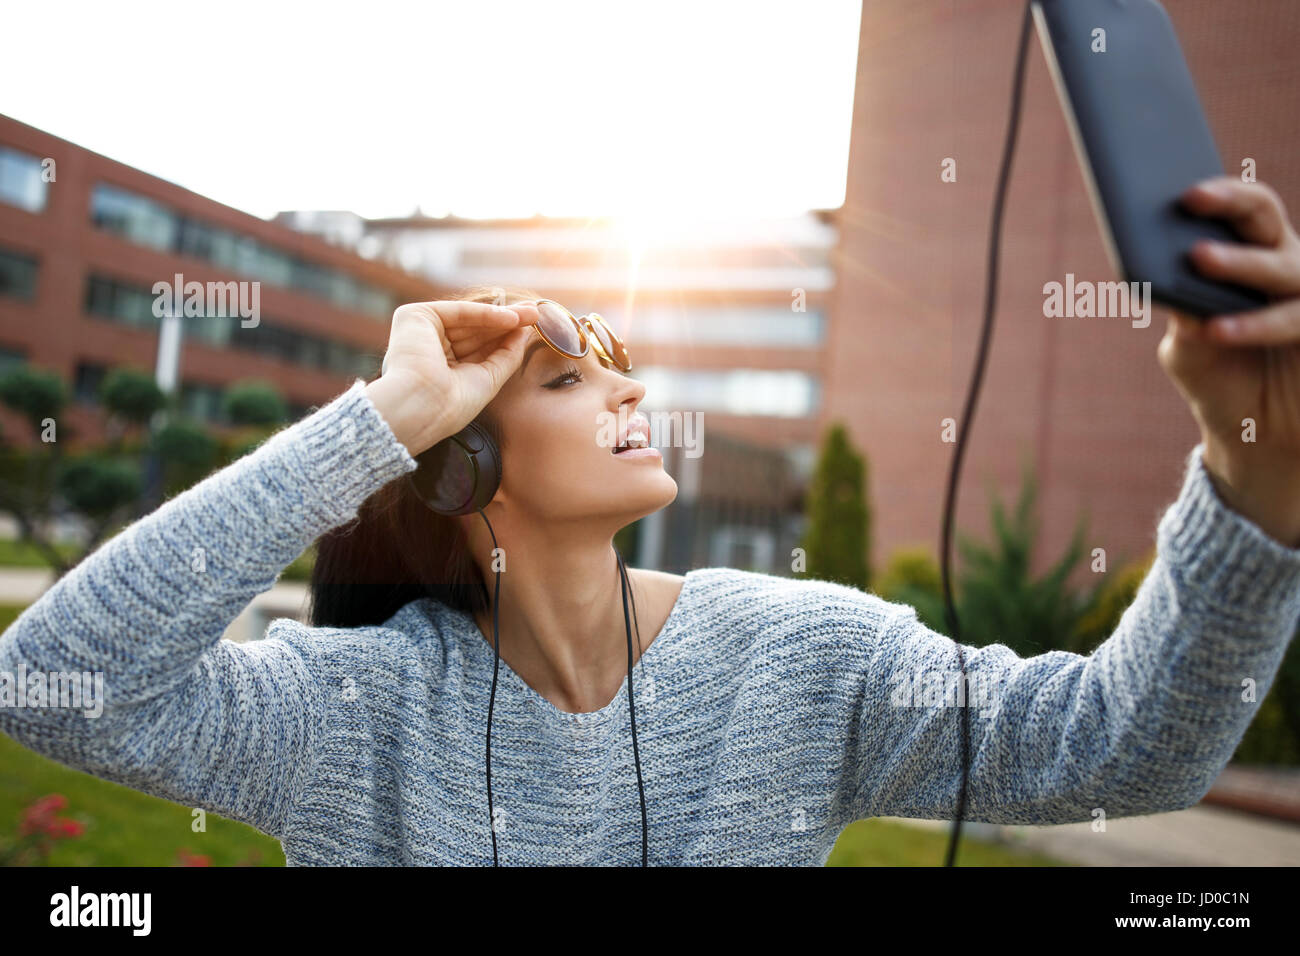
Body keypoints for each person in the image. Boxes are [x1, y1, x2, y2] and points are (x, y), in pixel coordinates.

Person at [3, 176, 1300, 866]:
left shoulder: (804, 660)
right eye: (566, 380)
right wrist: (375, 421)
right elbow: (56, 690)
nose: (630, 388)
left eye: (618, 366)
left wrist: (1264, 479)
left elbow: (1128, 751)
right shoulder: (353, 715)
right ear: (466, 476)